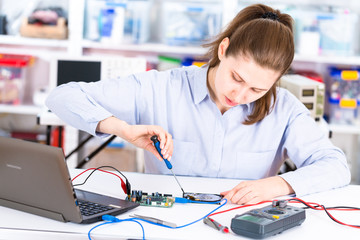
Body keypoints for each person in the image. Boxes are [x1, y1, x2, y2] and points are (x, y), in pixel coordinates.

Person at [46, 4, 350, 205]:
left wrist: (278, 185)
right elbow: (61, 96)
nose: (240, 94)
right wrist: (121, 129)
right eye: (236, 77)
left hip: (241, 227)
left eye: (258, 88)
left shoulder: (284, 108)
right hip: (163, 221)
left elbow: (335, 166)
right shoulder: (162, 87)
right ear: (223, 49)